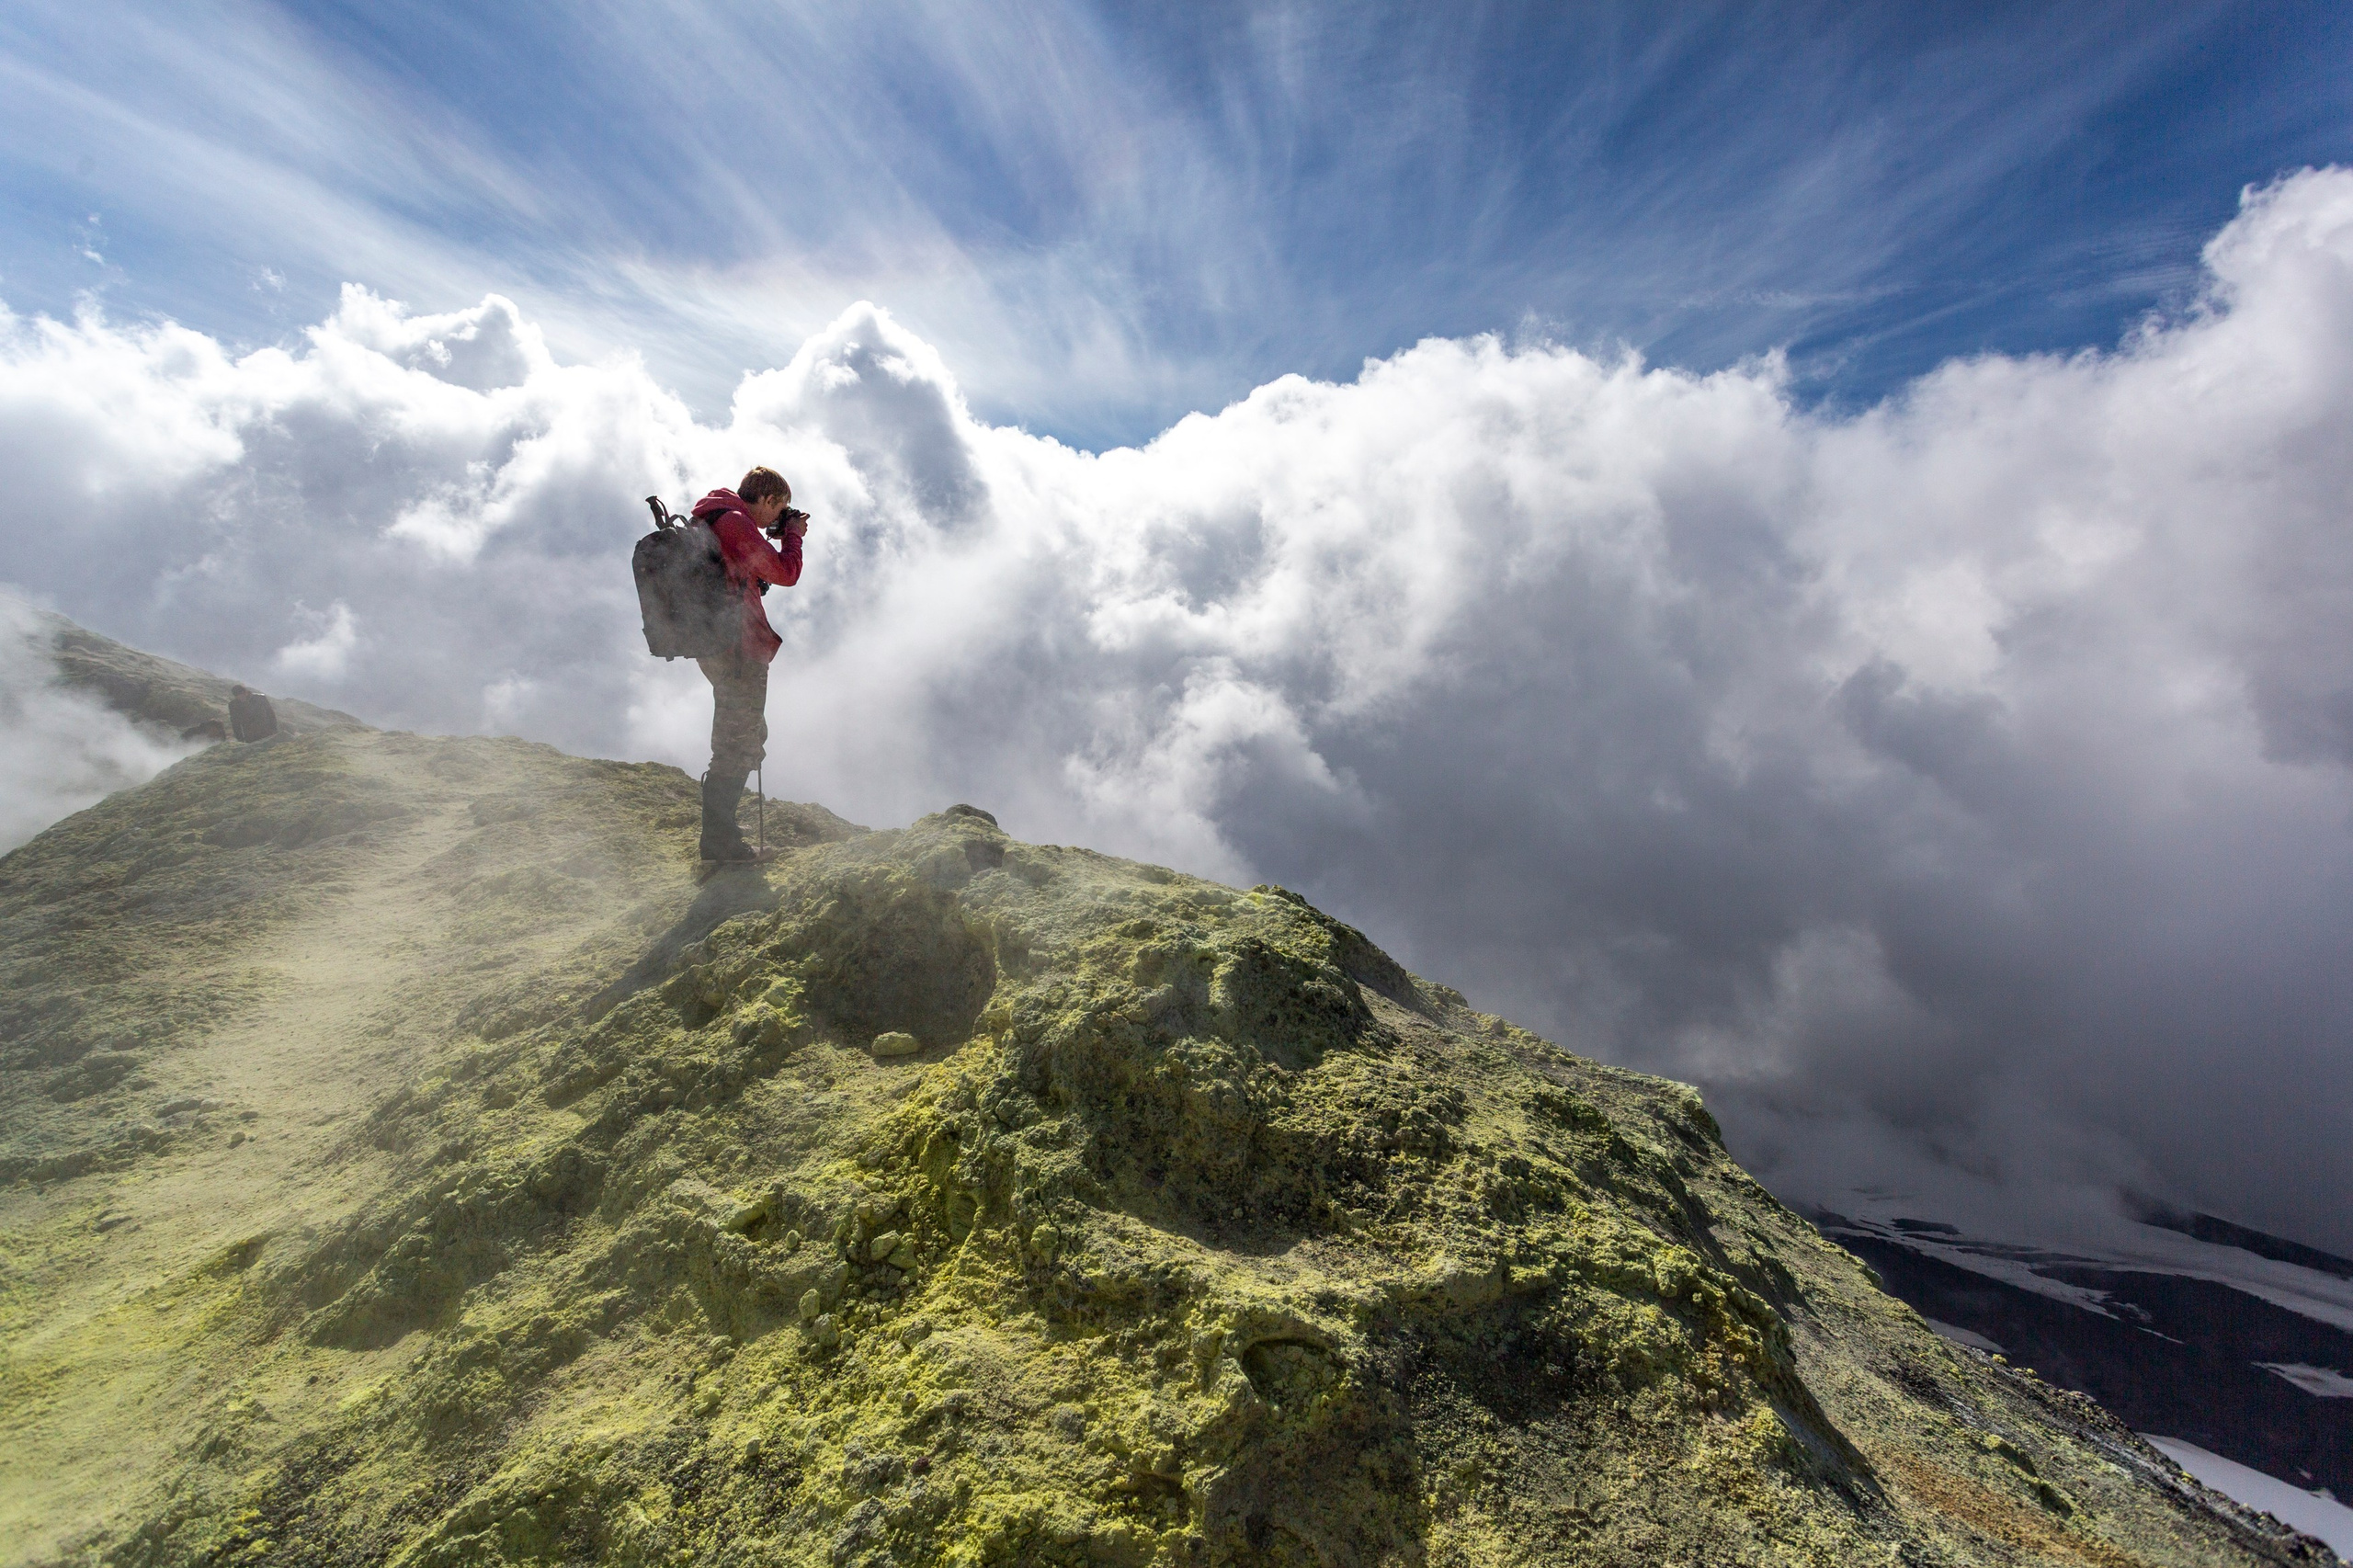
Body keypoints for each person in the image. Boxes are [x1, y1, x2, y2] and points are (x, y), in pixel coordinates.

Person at [689, 466, 806, 863]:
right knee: (737, 744)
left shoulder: (716, 515)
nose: (777, 519)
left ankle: (722, 837)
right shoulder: (737, 523)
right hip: (739, 647)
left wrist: (774, 532)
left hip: (719, 644)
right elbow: (785, 573)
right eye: (779, 510)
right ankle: (720, 846)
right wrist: (793, 537)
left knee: (743, 735)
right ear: (769, 499)